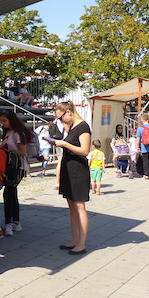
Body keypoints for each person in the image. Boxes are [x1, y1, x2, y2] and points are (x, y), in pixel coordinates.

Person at [52, 100, 91, 255]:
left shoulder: (83, 127)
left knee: (79, 206)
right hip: (69, 169)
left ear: (69, 111)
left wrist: (65, 144)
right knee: (72, 206)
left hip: (78, 170)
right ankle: (75, 239)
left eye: (61, 117)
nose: (60, 121)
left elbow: (85, 150)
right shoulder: (72, 127)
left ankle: (81, 243)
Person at [0, 110, 31, 236]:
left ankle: (9, 223)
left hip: (17, 167)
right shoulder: (8, 133)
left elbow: (23, 152)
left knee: (8, 194)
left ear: (11, 120)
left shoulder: (17, 134)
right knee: (12, 194)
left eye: (4, 120)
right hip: (11, 167)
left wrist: (5, 151)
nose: (2, 123)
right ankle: (16, 222)